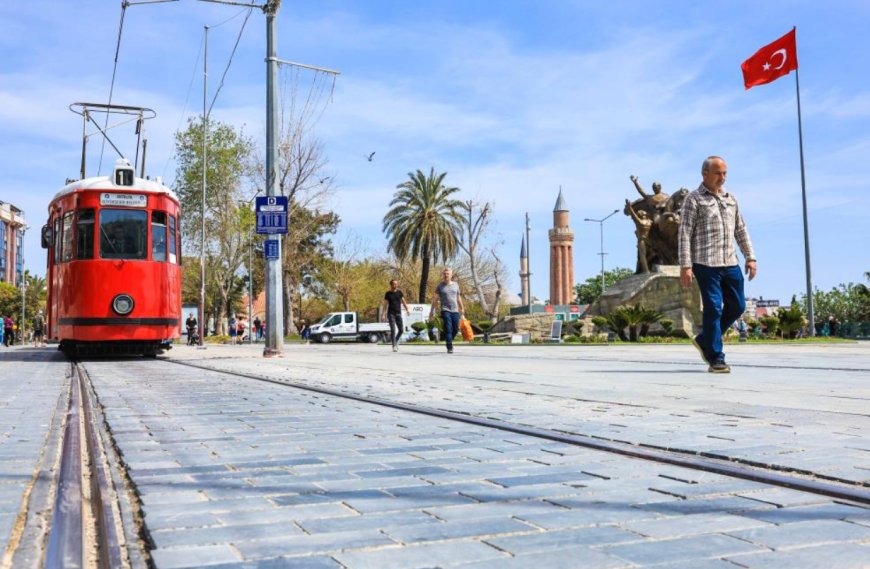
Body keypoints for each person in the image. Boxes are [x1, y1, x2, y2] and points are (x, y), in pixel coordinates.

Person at [679, 156, 756, 374]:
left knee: (738, 306)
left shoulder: (731, 199)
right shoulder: (693, 200)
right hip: (705, 262)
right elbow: (684, 234)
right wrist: (685, 265)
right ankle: (716, 358)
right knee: (713, 307)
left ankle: (705, 339)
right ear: (705, 174)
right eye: (717, 173)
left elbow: (740, 229)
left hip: (730, 262)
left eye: (724, 173)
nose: (722, 178)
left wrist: (750, 257)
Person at [430, 268, 464, 354]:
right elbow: (435, 299)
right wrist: (431, 311)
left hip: (455, 310)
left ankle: (449, 341)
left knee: (455, 328)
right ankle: (449, 347)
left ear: (451, 275)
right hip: (445, 310)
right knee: (448, 328)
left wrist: (462, 308)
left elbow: (458, 297)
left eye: (448, 274)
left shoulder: (456, 285)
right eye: (444, 274)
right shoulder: (440, 286)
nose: (446, 275)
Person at [382, 279, 411, 352]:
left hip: (398, 313)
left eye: (396, 284)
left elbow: (403, 302)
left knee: (401, 330)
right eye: (394, 284)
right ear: (391, 285)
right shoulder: (388, 294)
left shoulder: (399, 292)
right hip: (391, 314)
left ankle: (395, 341)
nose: (395, 285)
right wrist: (383, 314)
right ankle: (394, 345)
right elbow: (385, 304)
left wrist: (407, 309)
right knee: (393, 330)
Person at [626, 199, 653, 273]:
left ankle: (646, 270)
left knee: (642, 255)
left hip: (642, 240)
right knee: (647, 254)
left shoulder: (640, 222)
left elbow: (633, 215)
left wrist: (630, 207)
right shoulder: (650, 222)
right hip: (650, 241)